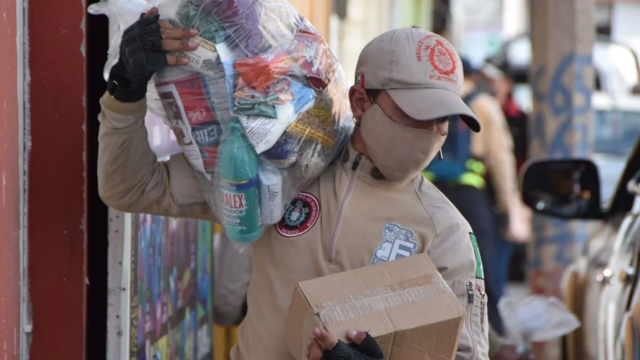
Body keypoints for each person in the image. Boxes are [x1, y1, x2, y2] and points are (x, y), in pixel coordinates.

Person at [98, 9, 489, 360]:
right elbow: (131, 187)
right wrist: (125, 89)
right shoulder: (285, 165)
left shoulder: (445, 232)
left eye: (442, 119)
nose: (431, 132)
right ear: (360, 101)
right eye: (415, 114)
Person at [423, 58, 532, 337]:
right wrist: (510, 206)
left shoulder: (429, 99)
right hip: (469, 198)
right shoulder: (482, 104)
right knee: (482, 271)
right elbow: (500, 157)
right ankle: (492, 336)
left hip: (427, 194)